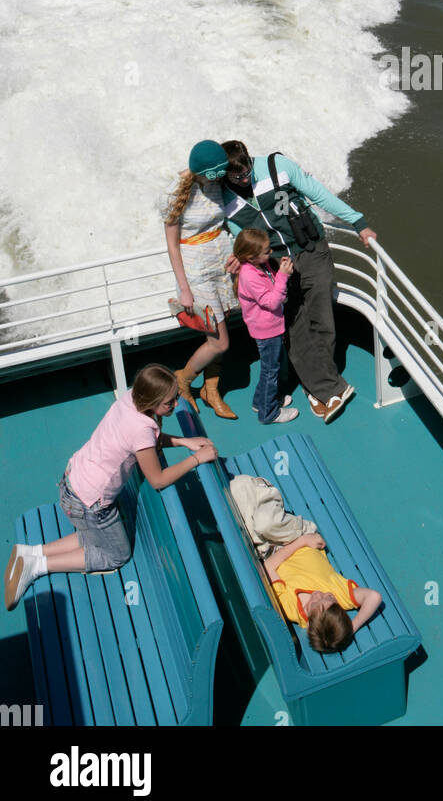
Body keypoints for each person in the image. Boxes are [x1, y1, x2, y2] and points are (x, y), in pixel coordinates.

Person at [4, 365, 216, 610]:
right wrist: (196, 459)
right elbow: (158, 479)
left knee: (97, 536)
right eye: (170, 402)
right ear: (153, 401)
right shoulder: (140, 429)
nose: (176, 405)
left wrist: (182, 442)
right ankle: (38, 566)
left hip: (74, 480)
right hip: (89, 503)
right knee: (115, 554)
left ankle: (31, 552)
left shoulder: (130, 398)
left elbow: (147, 442)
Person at [220, 140, 376, 424]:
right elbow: (238, 235)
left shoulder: (277, 165)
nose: (244, 179)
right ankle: (326, 389)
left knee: (323, 320)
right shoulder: (223, 197)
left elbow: (319, 195)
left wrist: (358, 222)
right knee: (294, 328)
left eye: (247, 172)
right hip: (277, 267)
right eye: (237, 177)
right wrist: (238, 256)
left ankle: (319, 387)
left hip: (312, 250)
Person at [160, 140, 239, 419]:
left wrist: (239, 254)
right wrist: (184, 289)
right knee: (220, 342)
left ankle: (211, 390)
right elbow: (172, 246)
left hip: (222, 260)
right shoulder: (174, 193)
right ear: (201, 170)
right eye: (214, 174)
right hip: (196, 270)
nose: (218, 179)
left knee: (220, 328)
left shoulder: (216, 180)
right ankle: (183, 380)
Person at [263, 530, 382, 653]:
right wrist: (351, 628)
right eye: (330, 598)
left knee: (261, 523)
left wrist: (301, 542)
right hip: (297, 534)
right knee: (265, 523)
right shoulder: (339, 596)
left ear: (308, 623)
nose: (320, 594)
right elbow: (374, 596)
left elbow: (267, 567)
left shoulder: (290, 609)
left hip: (273, 550)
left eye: (314, 603)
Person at [233, 229, 300, 426]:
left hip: (270, 327)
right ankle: (268, 413)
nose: (270, 253)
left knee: (269, 368)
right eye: (265, 252)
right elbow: (271, 302)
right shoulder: (249, 276)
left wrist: (279, 272)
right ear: (249, 256)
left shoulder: (258, 267)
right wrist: (283, 276)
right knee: (272, 371)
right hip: (267, 330)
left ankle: (259, 402)